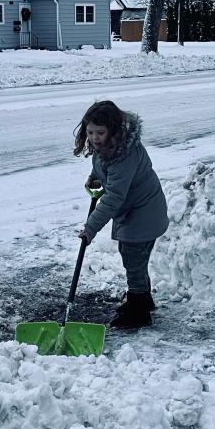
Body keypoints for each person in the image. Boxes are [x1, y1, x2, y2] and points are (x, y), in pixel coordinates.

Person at [73, 100, 169, 332]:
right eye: (91, 132)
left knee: (133, 258)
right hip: (137, 209)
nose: (95, 138)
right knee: (134, 257)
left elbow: (114, 197)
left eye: (100, 133)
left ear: (113, 130)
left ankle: (139, 312)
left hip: (143, 213)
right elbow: (102, 164)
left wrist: (91, 227)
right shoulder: (111, 146)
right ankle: (142, 299)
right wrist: (96, 176)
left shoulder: (124, 155)